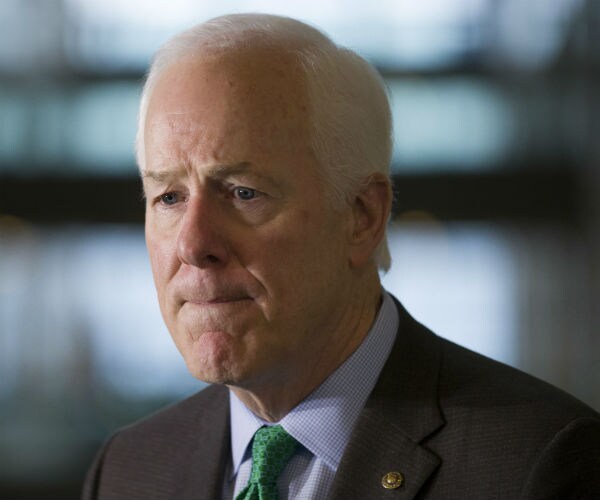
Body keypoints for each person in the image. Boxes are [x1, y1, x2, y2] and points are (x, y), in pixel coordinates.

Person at [83, 13, 600, 500]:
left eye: (243, 192)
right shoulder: (129, 470)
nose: (193, 245)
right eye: (168, 197)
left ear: (362, 217)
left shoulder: (540, 464)